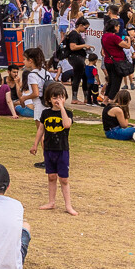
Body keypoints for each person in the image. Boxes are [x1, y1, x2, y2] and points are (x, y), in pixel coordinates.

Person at [32, 81, 77, 215]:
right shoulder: (46, 113)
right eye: (55, 97)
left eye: (61, 97)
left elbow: (67, 124)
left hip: (62, 149)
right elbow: (41, 129)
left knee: (64, 179)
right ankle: (51, 202)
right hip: (49, 149)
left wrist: (62, 108)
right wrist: (35, 144)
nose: (58, 100)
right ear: (49, 99)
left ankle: (68, 205)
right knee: (51, 176)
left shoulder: (68, 113)